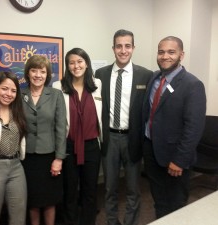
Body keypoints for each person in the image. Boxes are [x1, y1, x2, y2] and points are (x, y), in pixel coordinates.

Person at [142, 36, 207, 218]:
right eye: (161, 52)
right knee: (159, 199)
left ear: (181, 55)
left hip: (175, 157)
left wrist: (180, 160)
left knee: (176, 204)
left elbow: (193, 128)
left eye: (171, 52)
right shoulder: (154, 77)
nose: (165, 56)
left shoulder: (192, 85)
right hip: (151, 150)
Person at [95, 29, 153, 225]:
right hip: (110, 138)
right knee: (110, 188)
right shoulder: (100, 74)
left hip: (133, 139)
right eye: (119, 46)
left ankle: (130, 222)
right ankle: (112, 222)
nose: (123, 50)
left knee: (132, 188)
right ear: (113, 48)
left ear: (133, 48)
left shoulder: (145, 75)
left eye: (127, 46)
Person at [52, 48, 102, 225]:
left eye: (80, 61)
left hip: (91, 146)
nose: (76, 66)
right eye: (72, 62)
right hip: (69, 145)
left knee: (90, 191)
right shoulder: (59, 86)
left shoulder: (97, 85)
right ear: (67, 66)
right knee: (70, 191)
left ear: (86, 63)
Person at [21, 55, 66, 225]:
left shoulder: (55, 95)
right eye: (34, 70)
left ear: (47, 75)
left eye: (42, 71)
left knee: (49, 200)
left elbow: (61, 128)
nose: (38, 75)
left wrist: (59, 158)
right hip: (27, 157)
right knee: (32, 200)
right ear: (28, 73)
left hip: (49, 156)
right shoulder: (19, 93)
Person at [0, 71, 27, 225]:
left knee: (18, 215)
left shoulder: (18, 110)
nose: (9, 94)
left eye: (13, 91)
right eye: (4, 89)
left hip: (16, 167)